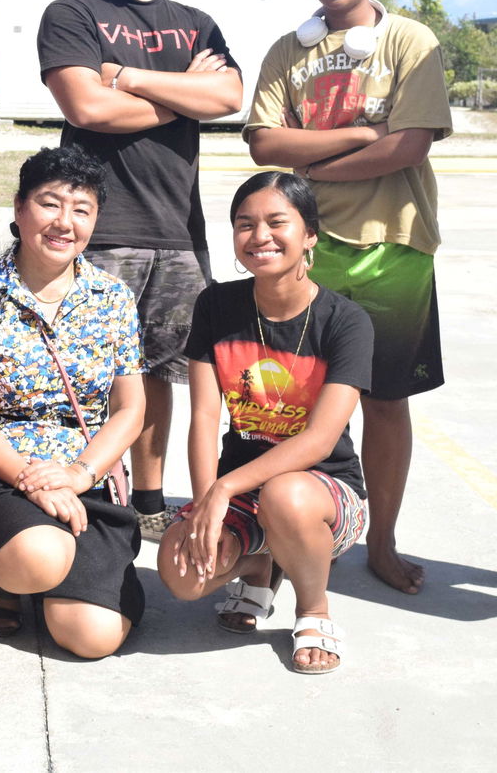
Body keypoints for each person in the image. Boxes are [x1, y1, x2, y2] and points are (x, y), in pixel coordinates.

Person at [243, 0, 452, 595]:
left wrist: (311, 165)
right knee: (290, 405)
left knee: (386, 403)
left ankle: (382, 541)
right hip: (305, 253)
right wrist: (357, 136)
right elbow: (263, 142)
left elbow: (409, 145)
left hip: (391, 250)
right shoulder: (287, 51)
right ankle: (281, 540)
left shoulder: (410, 43)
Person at [37, 0, 242, 540]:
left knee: (159, 377)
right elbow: (86, 108)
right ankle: (88, 494)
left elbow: (230, 95)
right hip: (99, 229)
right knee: (88, 377)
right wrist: (187, 93)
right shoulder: (72, 14)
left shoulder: (197, 22)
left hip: (179, 231)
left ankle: (148, 500)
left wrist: (126, 76)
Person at [0, 146, 146, 658]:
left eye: (82, 209)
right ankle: (8, 577)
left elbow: (130, 409)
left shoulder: (112, 298)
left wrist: (79, 472)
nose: (64, 223)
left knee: (91, 639)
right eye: (50, 204)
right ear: (19, 207)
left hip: (84, 474)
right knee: (37, 555)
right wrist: (28, 476)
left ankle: (58, 579)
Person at [158, 172, 372, 674]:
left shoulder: (346, 321)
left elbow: (320, 439)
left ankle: (313, 609)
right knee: (180, 574)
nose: (259, 237)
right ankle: (258, 561)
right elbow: (205, 415)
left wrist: (224, 487)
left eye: (278, 223)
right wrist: (207, 505)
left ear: (310, 234)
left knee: (286, 497)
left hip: (322, 492)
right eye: (244, 224)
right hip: (243, 493)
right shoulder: (216, 305)